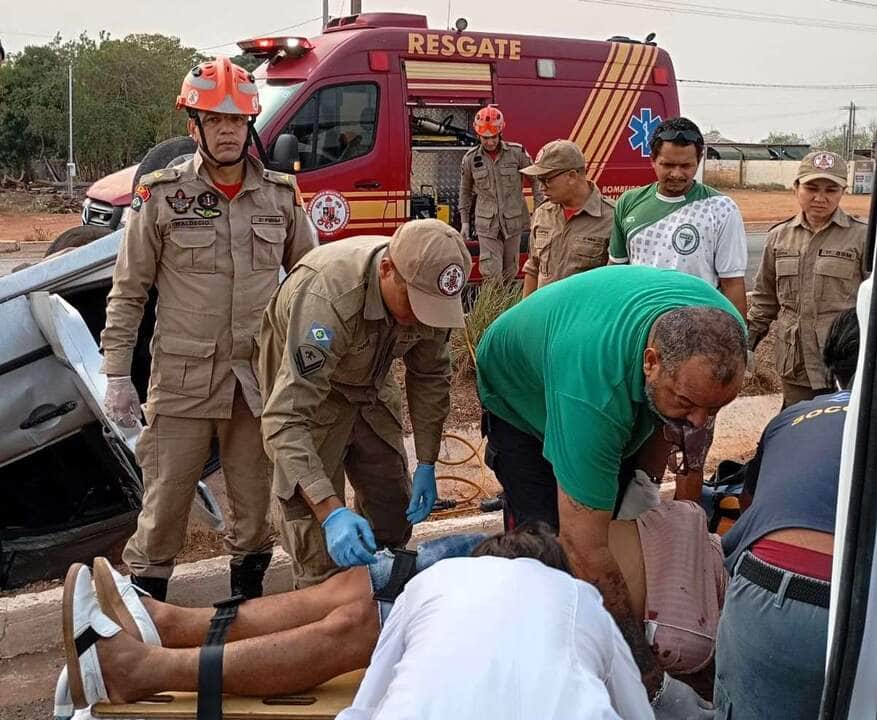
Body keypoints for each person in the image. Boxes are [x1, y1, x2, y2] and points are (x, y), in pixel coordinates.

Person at [58, 514, 721, 717]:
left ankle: (150, 660)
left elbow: (365, 702)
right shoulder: (582, 603)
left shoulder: (463, 580)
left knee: (354, 622)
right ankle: (166, 627)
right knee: (351, 597)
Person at [477, 264, 747, 706]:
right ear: (651, 362)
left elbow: (689, 420)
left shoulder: (723, 337)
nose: (700, 420)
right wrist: (644, 670)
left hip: (606, 363)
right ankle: (549, 675)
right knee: (549, 553)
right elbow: (584, 544)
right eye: (687, 403)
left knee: (625, 508)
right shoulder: (594, 395)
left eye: (714, 408)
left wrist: (681, 529)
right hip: (521, 396)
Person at [99, 56, 316, 601]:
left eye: (237, 121)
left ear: (250, 125)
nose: (227, 131)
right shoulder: (161, 196)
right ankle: (147, 623)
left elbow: (312, 283)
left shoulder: (280, 197)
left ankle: (245, 615)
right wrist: (116, 374)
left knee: (253, 508)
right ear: (193, 126)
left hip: (256, 383)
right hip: (182, 381)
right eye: (214, 121)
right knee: (164, 507)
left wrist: (311, 363)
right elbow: (129, 291)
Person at [259, 220, 471, 588]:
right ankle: (325, 610)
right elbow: (285, 417)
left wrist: (426, 461)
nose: (423, 317)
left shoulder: (430, 289)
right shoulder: (327, 297)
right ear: (387, 269)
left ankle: (382, 600)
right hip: (308, 392)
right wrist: (330, 513)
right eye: (415, 303)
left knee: (392, 511)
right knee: (318, 541)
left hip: (371, 383)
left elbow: (430, 378)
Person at [714, 308, 859, 719]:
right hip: (853, 609)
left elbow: (749, 506)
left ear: (834, 371)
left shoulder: (791, 418)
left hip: (761, 600)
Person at [748, 150, 867, 408]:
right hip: (796, 361)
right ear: (796, 188)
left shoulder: (863, 238)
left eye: (831, 190)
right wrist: (747, 344)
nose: (820, 198)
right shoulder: (779, 237)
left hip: (844, 361)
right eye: (811, 188)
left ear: (843, 191)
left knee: (841, 431)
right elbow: (764, 300)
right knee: (795, 423)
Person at [609, 117, 748, 320]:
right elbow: (616, 271)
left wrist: (738, 340)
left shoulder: (721, 208)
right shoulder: (628, 203)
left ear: (699, 160)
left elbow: (732, 282)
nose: (676, 174)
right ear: (653, 160)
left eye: (686, 165)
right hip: (640, 321)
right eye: (668, 165)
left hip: (700, 325)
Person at [518, 139, 614, 297]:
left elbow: (614, 282)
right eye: (539, 180)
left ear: (572, 176)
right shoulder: (543, 213)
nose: (541, 187)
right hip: (545, 316)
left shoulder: (611, 218)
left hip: (583, 317)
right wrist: (524, 316)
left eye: (547, 179)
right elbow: (533, 269)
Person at [458, 105, 543, 280]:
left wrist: (539, 212)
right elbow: (465, 191)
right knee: (491, 273)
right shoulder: (470, 159)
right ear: (478, 136)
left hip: (513, 223)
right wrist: (465, 222)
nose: (490, 142)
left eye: (494, 137)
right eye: (485, 138)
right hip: (487, 225)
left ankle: (505, 306)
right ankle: (492, 307)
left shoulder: (516, 153)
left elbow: (537, 180)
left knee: (510, 272)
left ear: (500, 133)